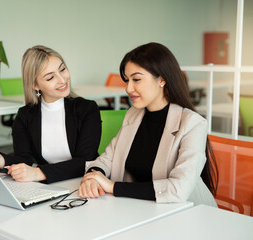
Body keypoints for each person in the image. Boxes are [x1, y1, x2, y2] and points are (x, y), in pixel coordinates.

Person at [79, 42, 218, 207]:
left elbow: (178, 189)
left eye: (136, 79)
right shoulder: (133, 115)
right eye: (127, 80)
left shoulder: (192, 124)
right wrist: (93, 178)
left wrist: (112, 187)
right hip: (143, 210)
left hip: (187, 213)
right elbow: (106, 160)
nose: (128, 88)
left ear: (162, 79)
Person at [0, 45, 101, 183]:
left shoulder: (87, 109)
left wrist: (38, 173)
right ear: (35, 85)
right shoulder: (25, 115)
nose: (62, 79)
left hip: (86, 183)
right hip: (52, 186)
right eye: (50, 77)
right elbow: (24, 159)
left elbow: (85, 161)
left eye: (62, 69)